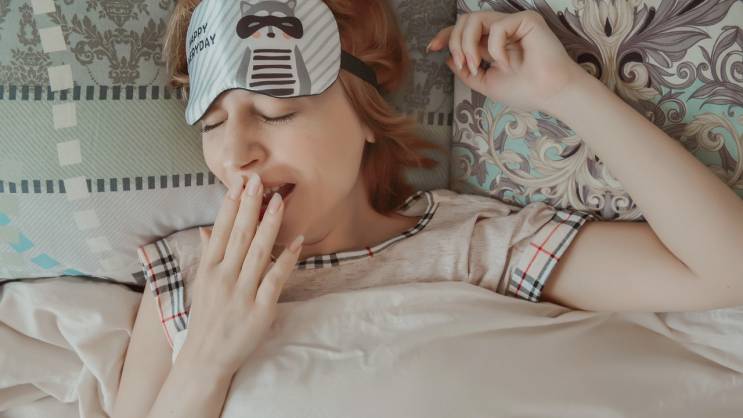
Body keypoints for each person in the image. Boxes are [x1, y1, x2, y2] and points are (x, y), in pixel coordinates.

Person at [112, 1, 743, 418]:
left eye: (277, 112)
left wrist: (565, 92)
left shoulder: (471, 244)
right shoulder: (189, 274)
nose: (234, 155)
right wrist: (207, 355)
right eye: (212, 122)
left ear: (366, 114)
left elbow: (724, 271)